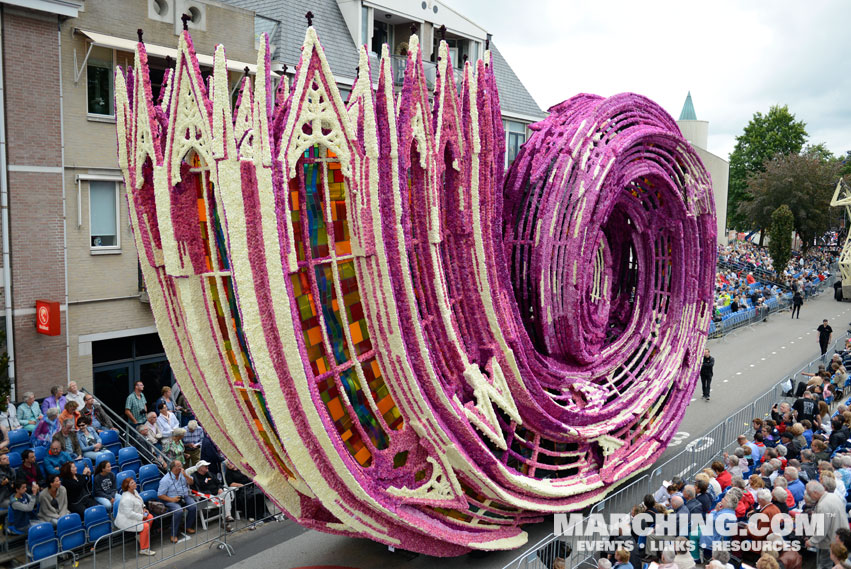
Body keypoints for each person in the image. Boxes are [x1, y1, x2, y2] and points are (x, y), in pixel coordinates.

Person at [805, 481, 847, 569]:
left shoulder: (822, 506)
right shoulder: (834, 496)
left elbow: (821, 531)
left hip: (829, 542)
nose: (809, 496)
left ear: (815, 493)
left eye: (809, 494)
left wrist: (811, 541)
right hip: (840, 537)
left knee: (823, 565)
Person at [157, 459, 197, 543]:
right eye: (179, 466)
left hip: (184, 496)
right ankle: (173, 534)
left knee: (193, 506)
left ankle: (187, 526)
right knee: (178, 511)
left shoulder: (183, 474)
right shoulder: (165, 480)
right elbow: (160, 495)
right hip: (171, 499)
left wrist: (185, 475)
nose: (181, 467)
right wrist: (172, 499)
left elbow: (191, 482)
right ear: (174, 468)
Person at [115, 477, 156, 556]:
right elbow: (129, 514)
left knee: (150, 517)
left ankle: (141, 536)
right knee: (146, 526)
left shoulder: (135, 491)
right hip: (127, 520)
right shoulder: (126, 498)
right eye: (132, 483)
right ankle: (144, 549)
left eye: (134, 482)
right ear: (128, 486)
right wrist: (141, 517)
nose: (135, 483)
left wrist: (144, 508)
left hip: (137, 515)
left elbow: (140, 501)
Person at [190, 459, 233, 526]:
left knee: (226, 493)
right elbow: (198, 491)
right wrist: (210, 494)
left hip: (217, 494)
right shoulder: (195, 477)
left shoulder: (210, 474)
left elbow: (219, 483)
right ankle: (225, 520)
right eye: (205, 466)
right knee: (224, 498)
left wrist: (220, 488)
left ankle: (228, 516)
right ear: (200, 468)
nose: (207, 467)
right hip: (208, 498)